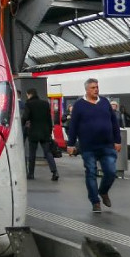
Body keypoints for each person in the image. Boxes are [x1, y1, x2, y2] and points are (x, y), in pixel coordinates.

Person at [66, 77, 121, 212]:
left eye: (97, 87)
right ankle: (95, 201)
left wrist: (117, 140)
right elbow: (73, 126)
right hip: (88, 146)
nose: (96, 90)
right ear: (86, 89)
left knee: (111, 172)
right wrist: (71, 144)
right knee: (91, 173)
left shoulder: (104, 103)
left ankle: (103, 191)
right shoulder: (79, 105)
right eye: (93, 88)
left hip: (107, 145)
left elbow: (114, 122)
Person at [23, 89, 59, 182]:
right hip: (45, 132)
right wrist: (50, 131)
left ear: (29, 94)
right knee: (48, 153)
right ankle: (55, 172)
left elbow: (25, 117)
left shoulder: (29, 104)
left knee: (32, 154)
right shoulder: (45, 103)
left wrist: (21, 125)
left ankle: (31, 174)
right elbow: (49, 118)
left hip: (33, 132)